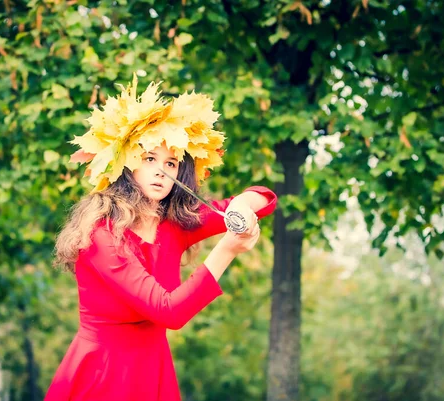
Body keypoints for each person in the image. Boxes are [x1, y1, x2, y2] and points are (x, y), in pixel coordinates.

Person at [44, 76, 277, 401]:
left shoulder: (175, 222)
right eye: (149, 159)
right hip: (104, 375)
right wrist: (227, 249)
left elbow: (263, 198)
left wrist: (242, 207)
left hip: (153, 371)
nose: (161, 171)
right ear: (125, 164)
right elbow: (169, 312)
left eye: (170, 163)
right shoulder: (101, 234)